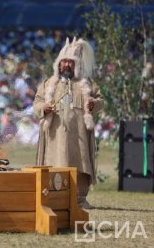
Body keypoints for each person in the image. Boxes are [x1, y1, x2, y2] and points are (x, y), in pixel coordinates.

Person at [33, 37, 104, 209]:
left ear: (77, 64)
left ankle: (80, 199)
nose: (66, 65)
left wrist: (94, 103)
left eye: (70, 62)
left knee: (80, 164)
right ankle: (54, 197)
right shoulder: (49, 84)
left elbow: (101, 101)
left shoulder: (87, 84)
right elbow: (36, 103)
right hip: (55, 136)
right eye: (63, 62)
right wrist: (44, 107)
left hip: (79, 135)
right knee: (55, 165)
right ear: (58, 64)